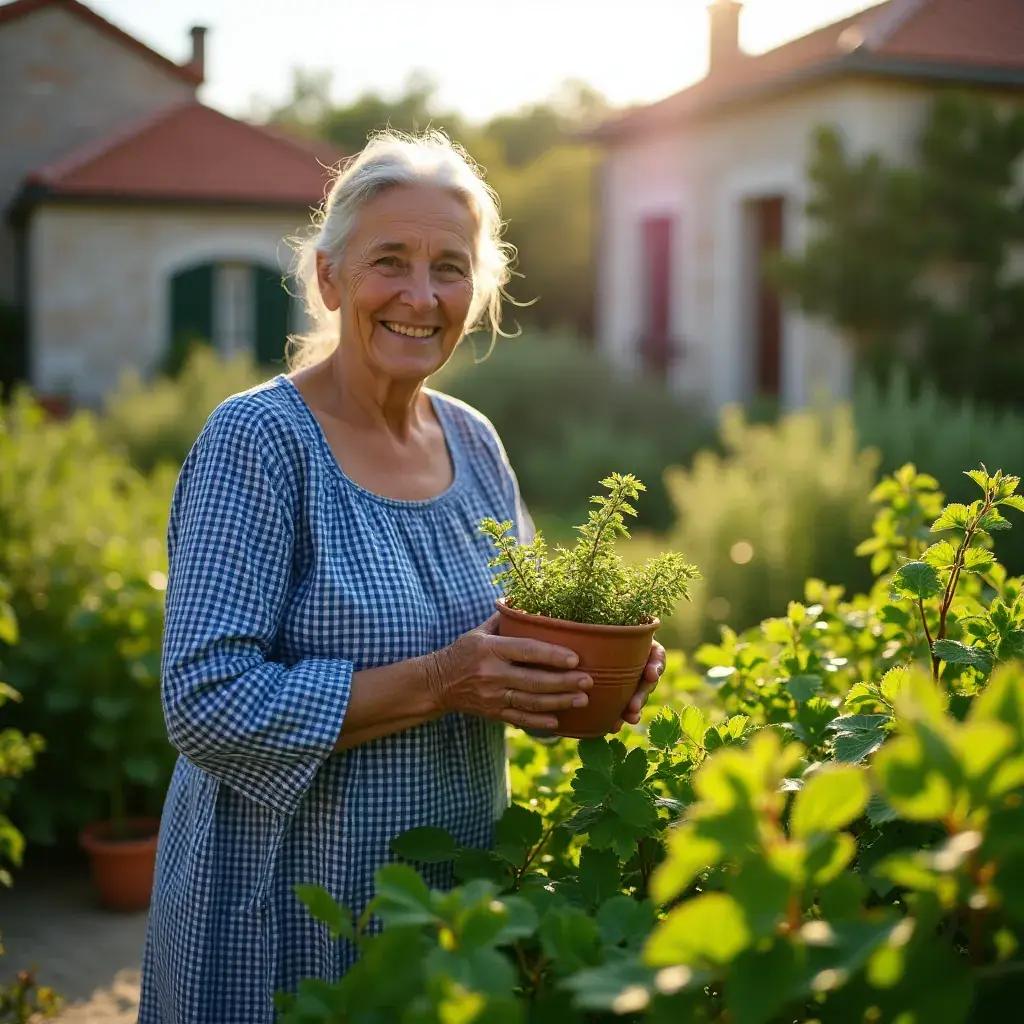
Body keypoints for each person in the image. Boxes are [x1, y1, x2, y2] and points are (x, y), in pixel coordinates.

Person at [138, 130, 666, 1023]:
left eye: (450, 268)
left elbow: (516, 638)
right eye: (391, 260)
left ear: (479, 291)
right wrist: (437, 682)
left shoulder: (475, 441)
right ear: (331, 278)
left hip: (450, 911)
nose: (422, 296)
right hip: (287, 914)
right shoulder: (258, 444)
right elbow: (205, 701)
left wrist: (581, 677)